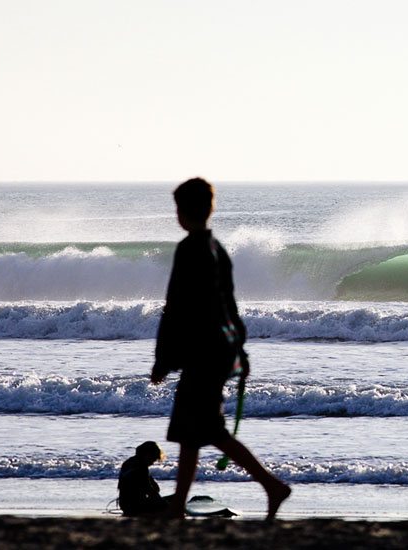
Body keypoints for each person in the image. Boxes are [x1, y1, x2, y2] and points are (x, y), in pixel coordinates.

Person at [151, 177, 290, 520]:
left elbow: (175, 307)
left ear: (183, 211)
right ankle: (178, 507)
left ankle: (272, 486)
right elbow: (230, 305)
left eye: (177, 208)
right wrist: (239, 350)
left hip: (202, 354)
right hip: (218, 352)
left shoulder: (189, 249)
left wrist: (163, 359)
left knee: (206, 430)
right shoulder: (217, 250)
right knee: (191, 430)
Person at [118, 441, 168, 516]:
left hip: (124, 505)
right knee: (175, 498)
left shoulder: (128, 462)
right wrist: (166, 505)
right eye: (153, 459)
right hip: (137, 507)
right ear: (147, 455)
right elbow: (150, 491)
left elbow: (152, 487)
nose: (152, 463)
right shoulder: (141, 468)